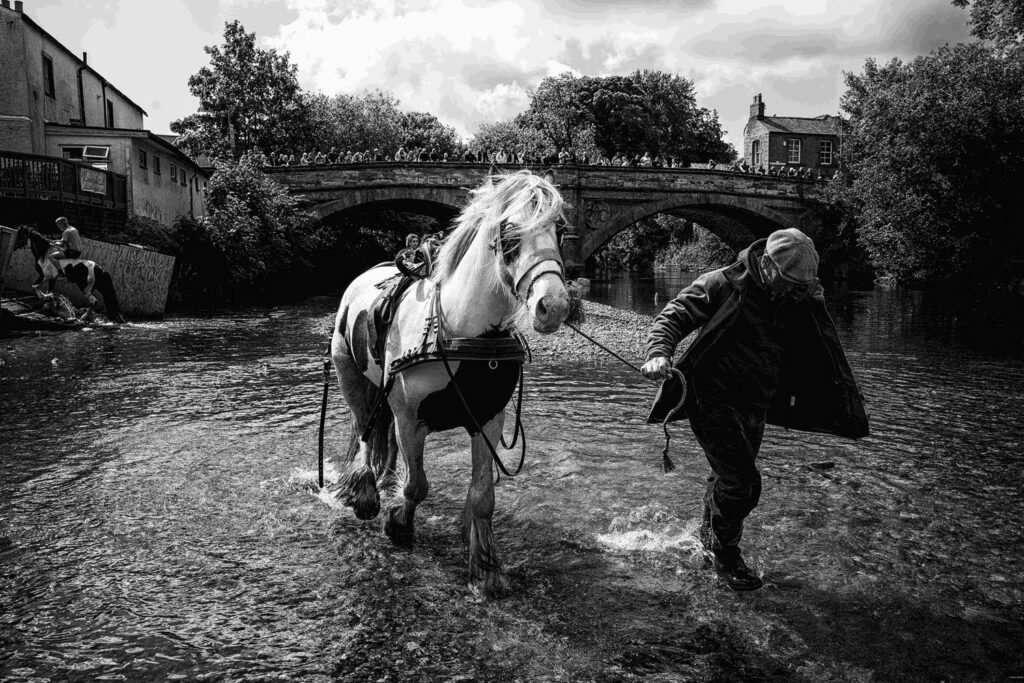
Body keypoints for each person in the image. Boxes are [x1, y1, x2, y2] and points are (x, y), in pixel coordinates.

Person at [640, 228, 868, 591]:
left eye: (800, 287)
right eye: (788, 283)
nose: (792, 292)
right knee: (744, 483)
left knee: (726, 478)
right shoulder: (723, 283)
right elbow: (674, 315)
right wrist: (657, 354)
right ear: (766, 263)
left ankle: (708, 545)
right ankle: (728, 557)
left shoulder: (799, 294)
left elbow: (822, 349)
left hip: (756, 403)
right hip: (710, 398)